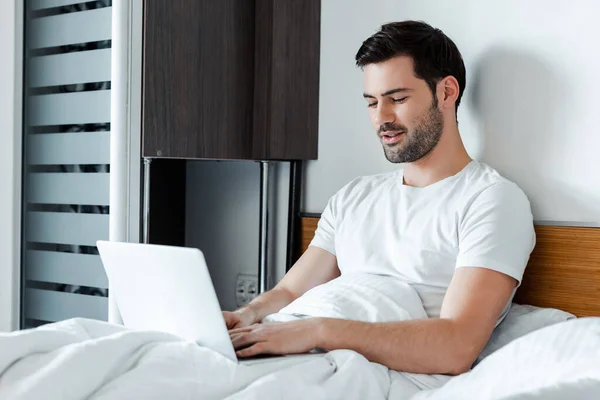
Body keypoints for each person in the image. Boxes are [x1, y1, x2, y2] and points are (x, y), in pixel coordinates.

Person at [225, 20, 535, 375]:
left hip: (363, 370)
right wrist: (244, 316)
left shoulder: (491, 200)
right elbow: (290, 293)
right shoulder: (354, 197)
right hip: (294, 347)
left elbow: (457, 345)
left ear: (447, 92)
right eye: (372, 103)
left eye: (397, 99)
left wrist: (319, 330)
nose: (381, 118)